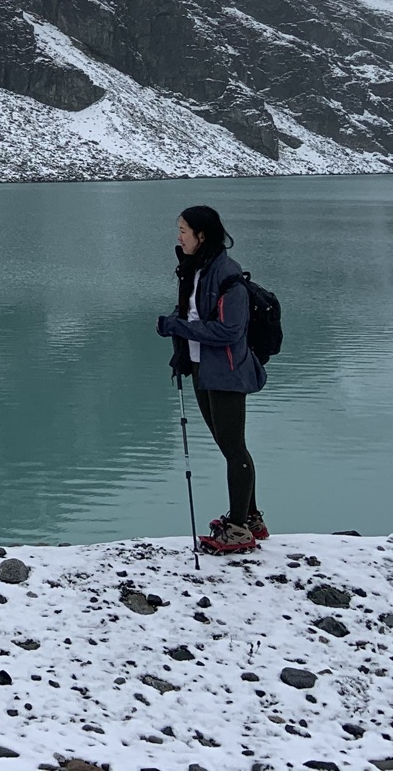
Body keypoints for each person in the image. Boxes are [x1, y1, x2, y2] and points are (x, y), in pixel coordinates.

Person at [155, 204, 267, 554]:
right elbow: (192, 313)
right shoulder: (195, 268)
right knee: (227, 445)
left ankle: (239, 529)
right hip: (204, 368)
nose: (178, 237)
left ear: (201, 236)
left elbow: (230, 330)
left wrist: (178, 327)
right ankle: (249, 519)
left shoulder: (227, 274)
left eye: (183, 231)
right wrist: (180, 345)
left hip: (227, 371)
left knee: (233, 448)